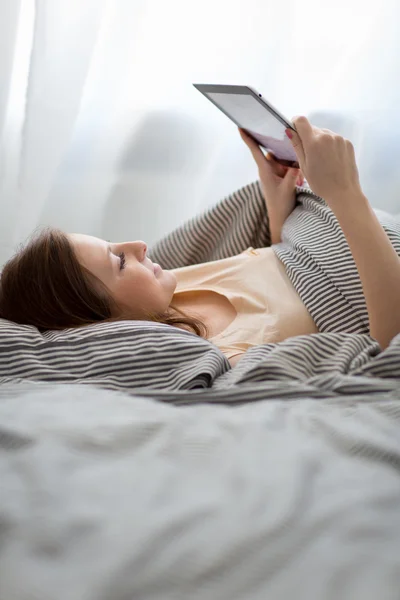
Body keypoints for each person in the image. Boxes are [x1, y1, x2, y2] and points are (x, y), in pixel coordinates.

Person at [0, 116, 399, 369]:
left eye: (114, 244)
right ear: (103, 325)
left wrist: (277, 205)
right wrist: (346, 195)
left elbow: (283, 274)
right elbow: (387, 350)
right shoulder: (222, 355)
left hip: (321, 235)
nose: (139, 245)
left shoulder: (166, 292)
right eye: (119, 262)